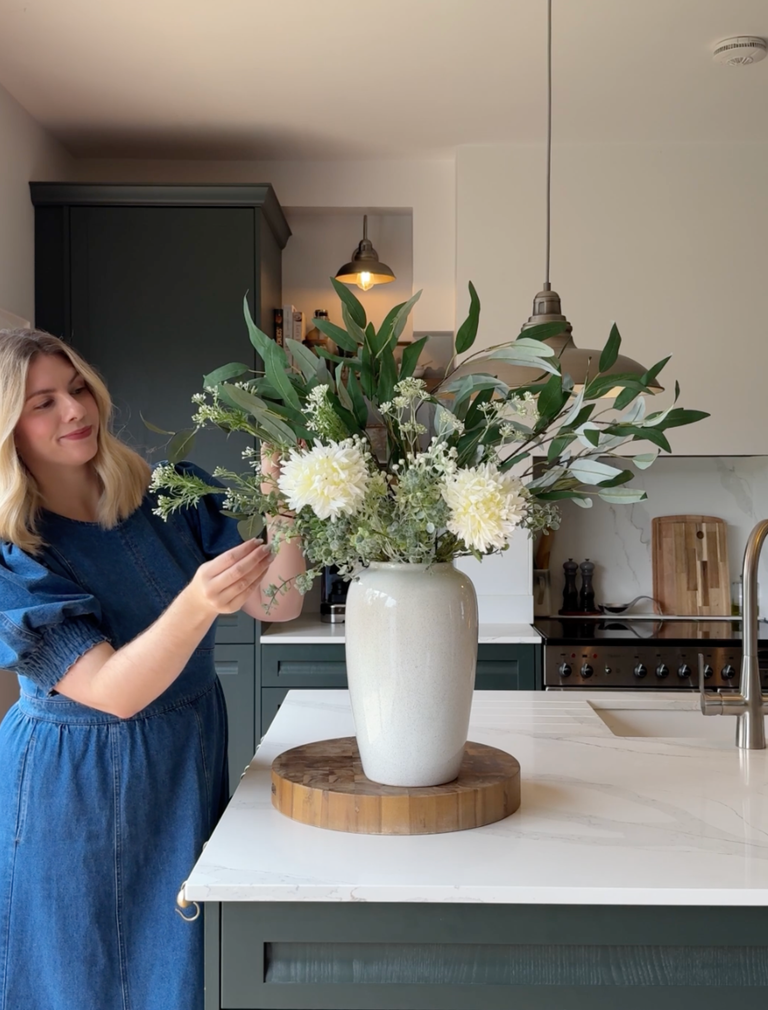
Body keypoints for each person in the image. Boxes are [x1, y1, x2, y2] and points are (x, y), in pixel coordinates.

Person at [0, 328, 305, 1010]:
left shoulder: (169, 494)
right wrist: (197, 602)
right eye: (42, 403)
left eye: (77, 389)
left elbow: (277, 603)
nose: (74, 412)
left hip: (181, 763)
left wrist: (282, 493)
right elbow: (112, 692)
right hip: (69, 790)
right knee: (79, 980)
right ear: (7, 429)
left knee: (184, 968)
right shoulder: (12, 555)